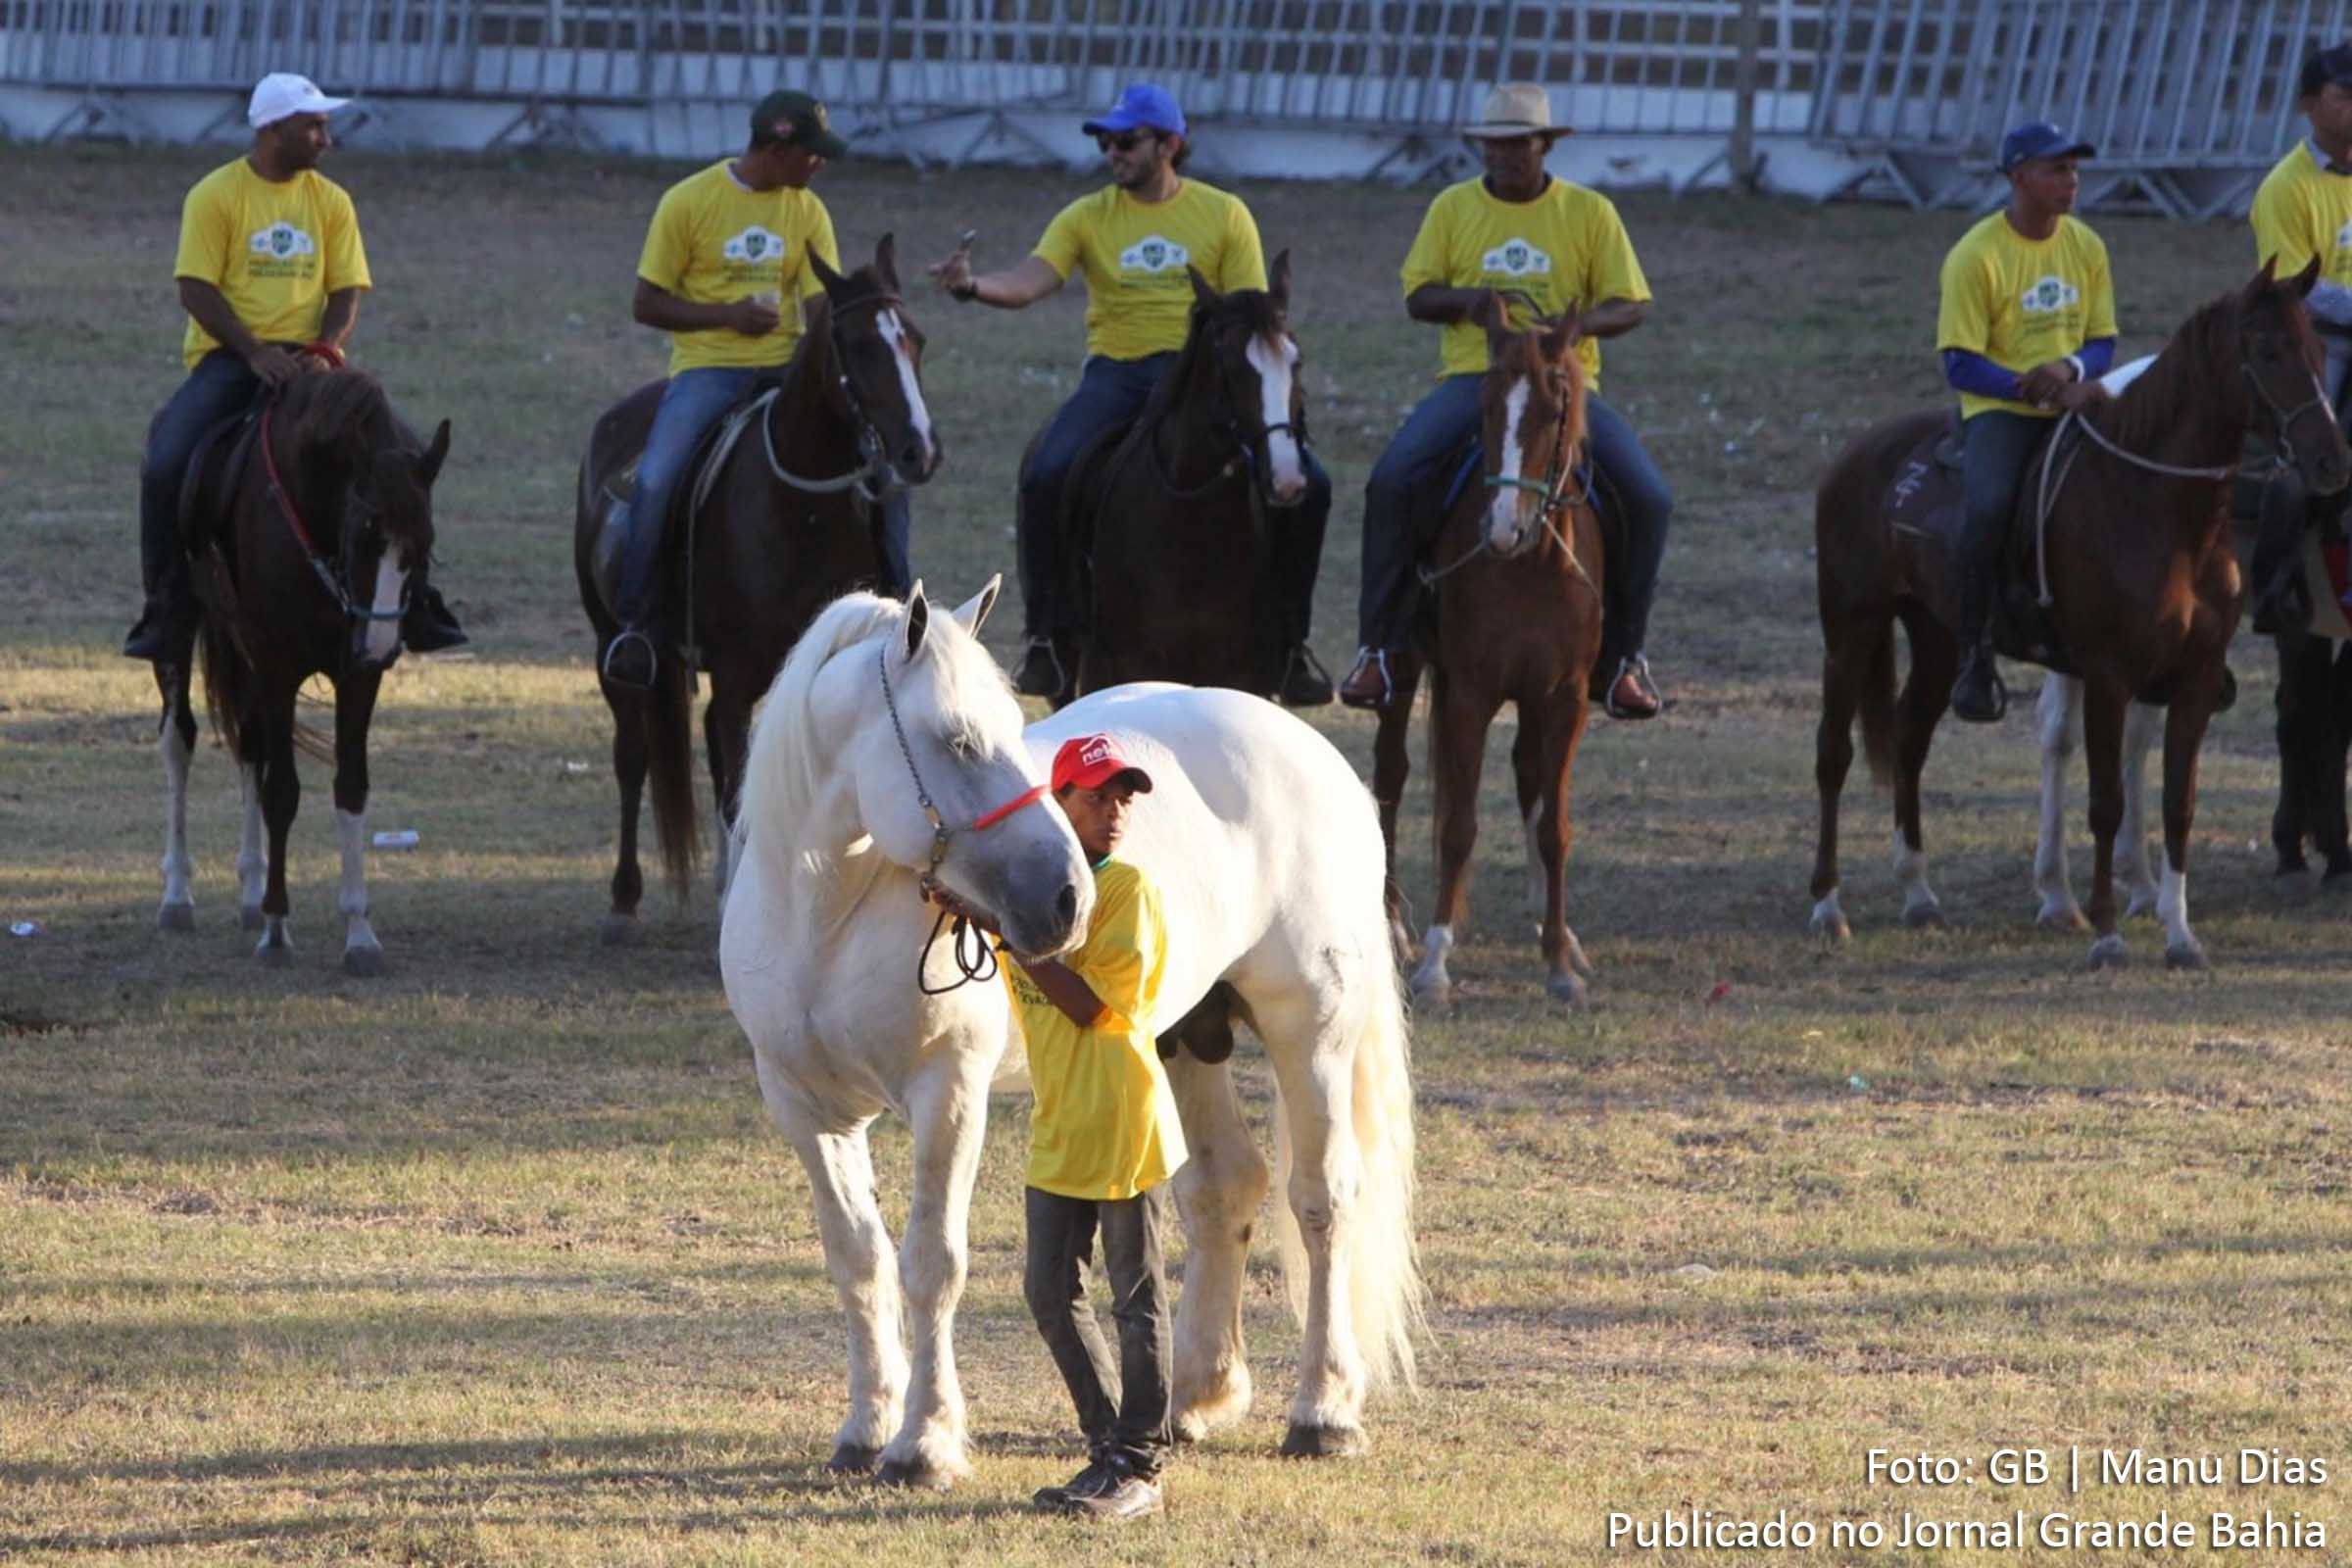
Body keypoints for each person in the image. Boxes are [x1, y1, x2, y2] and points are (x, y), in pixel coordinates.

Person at [927, 82, 1335, 707]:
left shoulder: (1224, 213)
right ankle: (1049, 640)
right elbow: (1034, 279)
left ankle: (1290, 645)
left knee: (1313, 483)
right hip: (1117, 375)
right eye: (1105, 142)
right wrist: (974, 286)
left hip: (1204, 378)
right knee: (1046, 470)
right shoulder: (1087, 216)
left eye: (1126, 140)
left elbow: (1252, 312)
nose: (1112, 152)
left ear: (1169, 144)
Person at [1337, 81, 1674, 719]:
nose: (1503, 157)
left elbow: (1631, 302)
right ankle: (1378, 649)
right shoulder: (1452, 208)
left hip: (1560, 385)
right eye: (1492, 146)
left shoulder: (1590, 213)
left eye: (1517, 146)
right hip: (1476, 379)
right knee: (1392, 479)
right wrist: (1470, 303)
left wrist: (1575, 330)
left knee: (1649, 497)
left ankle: (1625, 657)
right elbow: (1418, 295)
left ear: (1545, 146)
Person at [125, 72, 466, 662]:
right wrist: (254, 353)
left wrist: (327, 350)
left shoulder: (331, 201)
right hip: (231, 359)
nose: (325, 139)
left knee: (403, 460)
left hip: (316, 365)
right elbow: (196, 289)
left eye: (324, 126)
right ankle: (166, 609)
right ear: (272, 129)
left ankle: (420, 604)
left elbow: (345, 291)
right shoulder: (216, 195)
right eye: (313, 127)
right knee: (166, 464)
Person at [929, 733, 1183, 1522]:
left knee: (1135, 1296)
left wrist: (1000, 925)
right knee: (1047, 1291)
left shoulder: (1127, 892)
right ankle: (1110, 1445)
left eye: (1123, 799)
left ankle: (1140, 1464)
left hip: (1124, 1120)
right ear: (1060, 802)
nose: (1114, 813)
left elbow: (1087, 1005)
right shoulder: (1033, 897)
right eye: (1097, 796)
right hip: (1062, 1123)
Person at [602, 90, 901, 690]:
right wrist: (727, 315)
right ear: (776, 146)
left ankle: (894, 607)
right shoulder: (688, 202)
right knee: (658, 478)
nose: (819, 166)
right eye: (811, 155)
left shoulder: (808, 211)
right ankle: (638, 623)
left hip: (785, 371)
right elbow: (647, 303)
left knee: (885, 470)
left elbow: (820, 309)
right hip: (709, 371)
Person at [1936, 122, 2117, 722]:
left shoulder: (2086, 245)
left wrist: (2068, 369)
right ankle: (1973, 648)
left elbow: (2102, 339)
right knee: (1987, 506)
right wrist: (2030, 389)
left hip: (2073, 395)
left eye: (2073, 170)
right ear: (2018, 178)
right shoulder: (1976, 255)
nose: (2070, 182)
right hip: (2001, 411)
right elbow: (1959, 362)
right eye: (2055, 170)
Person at [2248, 41, 2352, 634]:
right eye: (2346, 95)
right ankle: (2276, 587)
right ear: (2310, 105)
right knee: (2303, 457)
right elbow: (2290, 288)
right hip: (2317, 338)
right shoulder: (2284, 188)